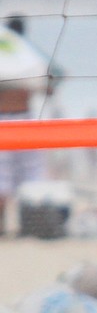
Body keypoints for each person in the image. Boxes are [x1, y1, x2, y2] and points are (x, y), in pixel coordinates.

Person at [0, 17, 54, 236]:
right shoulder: (28, 56)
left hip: (13, 119)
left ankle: (8, 226)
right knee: (29, 176)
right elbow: (50, 87)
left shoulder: (23, 56)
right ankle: (25, 226)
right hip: (24, 119)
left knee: (13, 178)